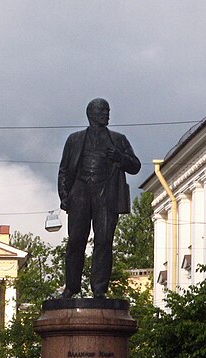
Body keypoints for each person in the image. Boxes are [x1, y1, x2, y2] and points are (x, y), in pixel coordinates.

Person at [57, 98, 141, 298]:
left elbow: (135, 166)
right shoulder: (75, 139)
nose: (107, 114)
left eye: (107, 110)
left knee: (104, 241)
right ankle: (71, 287)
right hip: (80, 192)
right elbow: (64, 170)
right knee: (76, 240)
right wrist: (64, 195)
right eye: (102, 110)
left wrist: (120, 157)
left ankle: (99, 289)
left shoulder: (118, 139)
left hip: (106, 194)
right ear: (91, 114)